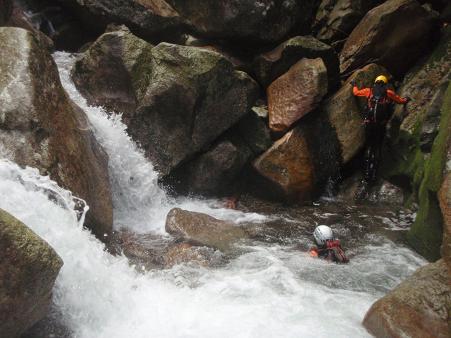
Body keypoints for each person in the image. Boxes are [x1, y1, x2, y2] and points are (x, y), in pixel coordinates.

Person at [351, 75, 409, 183]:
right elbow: (400, 101)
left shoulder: (369, 91)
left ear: (376, 82)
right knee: (377, 148)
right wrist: (406, 100)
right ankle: (374, 174)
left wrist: (354, 85)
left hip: (369, 124)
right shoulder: (388, 93)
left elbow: (356, 93)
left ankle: (367, 174)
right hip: (380, 125)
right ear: (385, 83)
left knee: (369, 147)